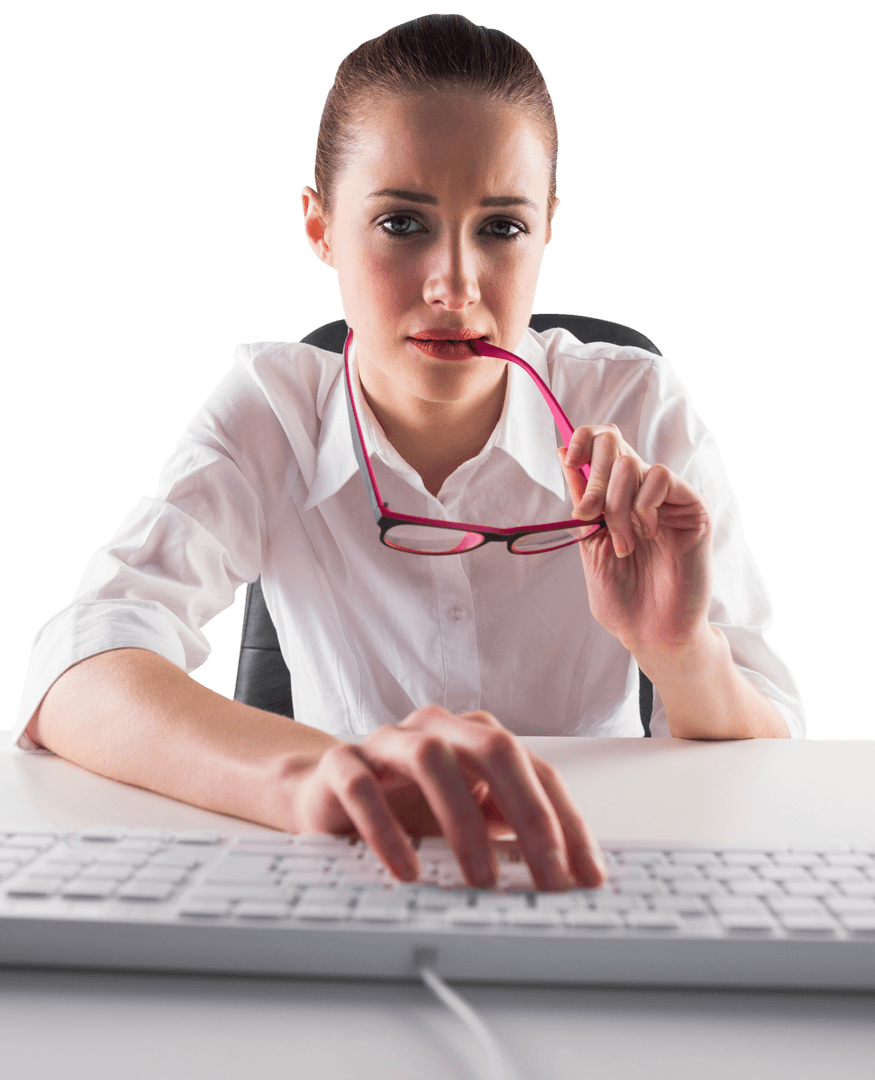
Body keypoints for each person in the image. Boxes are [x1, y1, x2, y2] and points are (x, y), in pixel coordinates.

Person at [15, 14, 805, 893]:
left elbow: (773, 757)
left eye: (501, 229)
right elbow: (77, 666)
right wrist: (307, 777)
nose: (454, 287)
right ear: (319, 228)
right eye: (401, 223)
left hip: (591, 874)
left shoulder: (632, 404)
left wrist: (675, 648)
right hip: (354, 867)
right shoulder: (276, 411)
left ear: (545, 228)